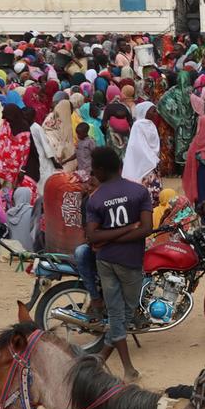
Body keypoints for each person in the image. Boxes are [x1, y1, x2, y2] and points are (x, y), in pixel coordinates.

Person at [84, 146, 151, 381]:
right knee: (124, 312)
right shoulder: (139, 191)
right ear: (119, 167)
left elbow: (93, 236)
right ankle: (127, 369)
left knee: (116, 313)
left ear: (101, 170)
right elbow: (146, 228)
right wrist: (128, 229)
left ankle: (102, 359)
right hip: (130, 261)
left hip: (105, 260)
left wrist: (109, 238)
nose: (93, 174)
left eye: (94, 170)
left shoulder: (95, 199)